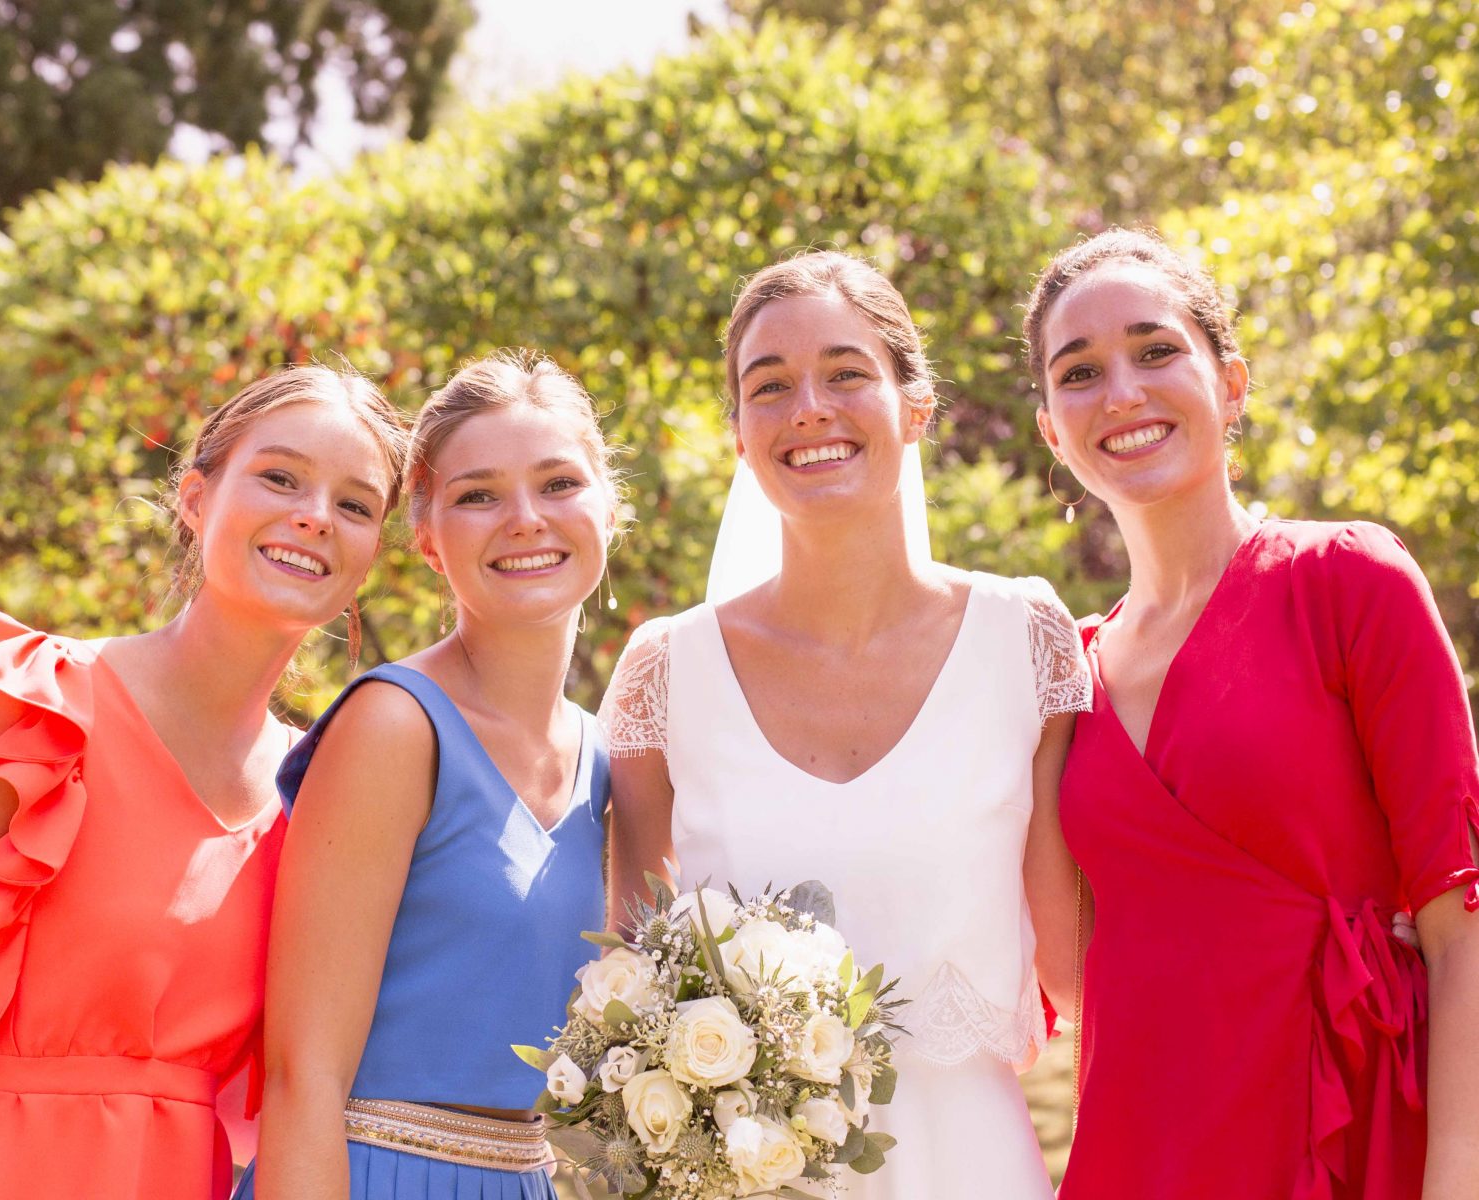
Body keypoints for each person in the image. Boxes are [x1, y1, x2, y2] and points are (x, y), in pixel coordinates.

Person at [0, 365, 408, 1200]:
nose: (315, 516)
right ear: (195, 498)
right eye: (281, 477)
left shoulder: (317, 795)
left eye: (355, 505)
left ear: (371, 554)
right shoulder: (34, 707)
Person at [600, 249, 1089, 1199]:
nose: (808, 409)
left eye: (846, 373)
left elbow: (1078, 967)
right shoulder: (668, 671)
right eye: (768, 386)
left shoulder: (1025, 637)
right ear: (739, 436)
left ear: (917, 406)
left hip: (971, 1168)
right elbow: (629, 986)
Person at [1026, 227, 1479, 1200]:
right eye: (1080, 372)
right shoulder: (1065, 672)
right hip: (1143, 1152)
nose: (1121, 393)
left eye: (1156, 350)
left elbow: (1463, 927)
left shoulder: (1348, 581)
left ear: (1231, 385)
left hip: (1349, 1141)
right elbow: (1076, 977)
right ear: (1053, 432)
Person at [238, 350, 616, 1200]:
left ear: (609, 507)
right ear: (428, 538)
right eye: (479, 495)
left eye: (559, 483)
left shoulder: (605, 759)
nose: (525, 519)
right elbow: (303, 1079)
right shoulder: (395, 726)